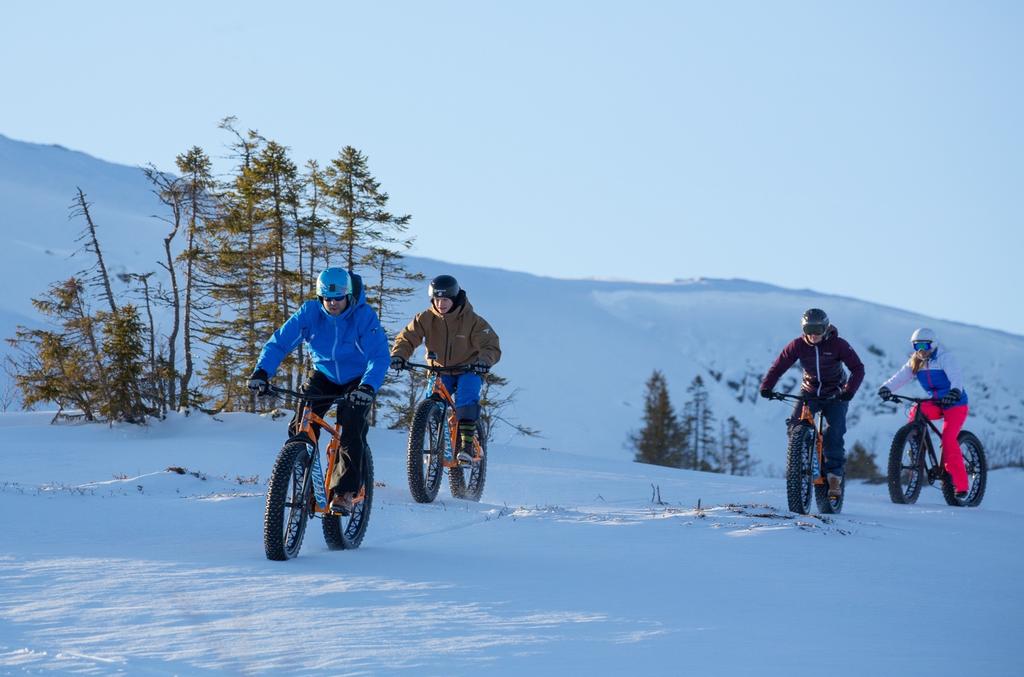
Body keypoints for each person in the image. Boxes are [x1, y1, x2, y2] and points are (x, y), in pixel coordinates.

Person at [247, 267, 389, 513]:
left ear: (349, 296)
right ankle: (302, 478)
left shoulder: (363, 316)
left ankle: (344, 492)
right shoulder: (310, 313)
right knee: (301, 425)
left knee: (351, 429)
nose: (332, 304)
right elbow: (280, 342)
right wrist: (262, 372)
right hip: (323, 374)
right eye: (327, 298)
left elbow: (378, 356)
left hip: (357, 379)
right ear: (320, 296)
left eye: (338, 298)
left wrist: (368, 386)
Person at [389, 274, 501, 463]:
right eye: (437, 300)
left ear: (454, 299)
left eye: (445, 300)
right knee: (432, 402)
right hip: (440, 371)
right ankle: (434, 444)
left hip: (468, 369)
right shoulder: (425, 318)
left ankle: (466, 445)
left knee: (466, 397)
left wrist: (483, 361)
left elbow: (491, 345)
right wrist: (399, 355)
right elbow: (407, 338)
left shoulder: (472, 320)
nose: (441, 304)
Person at [759, 308, 865, 499]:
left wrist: (849, 391)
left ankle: (834, 477)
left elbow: (858, 369)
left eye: (817, 329)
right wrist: (767, 386)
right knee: (795, 427)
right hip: (809, 392)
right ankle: (800, 462)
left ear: (825, 328)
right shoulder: (797, 345)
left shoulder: (838, 345)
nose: (813, 334)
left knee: (834, 432)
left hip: (836, 394)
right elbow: (778, 367)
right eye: (809, 329)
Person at [877, 328, 970, 499]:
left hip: (955, 403)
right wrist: (886, 388)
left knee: (948, 440)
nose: (921, 349)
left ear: (933, 344)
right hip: (934, 402)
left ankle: (961, 485)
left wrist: (955, 391)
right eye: (916, 345)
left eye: (924, 345)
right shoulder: (916, 361)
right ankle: (915, 447)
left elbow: (956, 377)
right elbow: (900, 377)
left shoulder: (945, 358)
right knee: (915, 411)